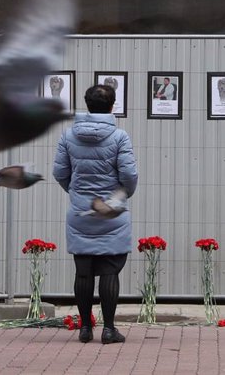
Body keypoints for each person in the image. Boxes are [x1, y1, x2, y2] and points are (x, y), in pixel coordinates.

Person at [53, 84, 138, 344]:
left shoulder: (68, 136)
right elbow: (129, 176)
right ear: (112, 106)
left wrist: (77, 194)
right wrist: (120, 196)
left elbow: (60, 173)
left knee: (83, 270)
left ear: (87, 105)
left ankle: (85, 329)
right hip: (112, 212)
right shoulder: (120, 137)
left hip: (81, 211)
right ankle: (109, 329)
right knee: (110, 269)